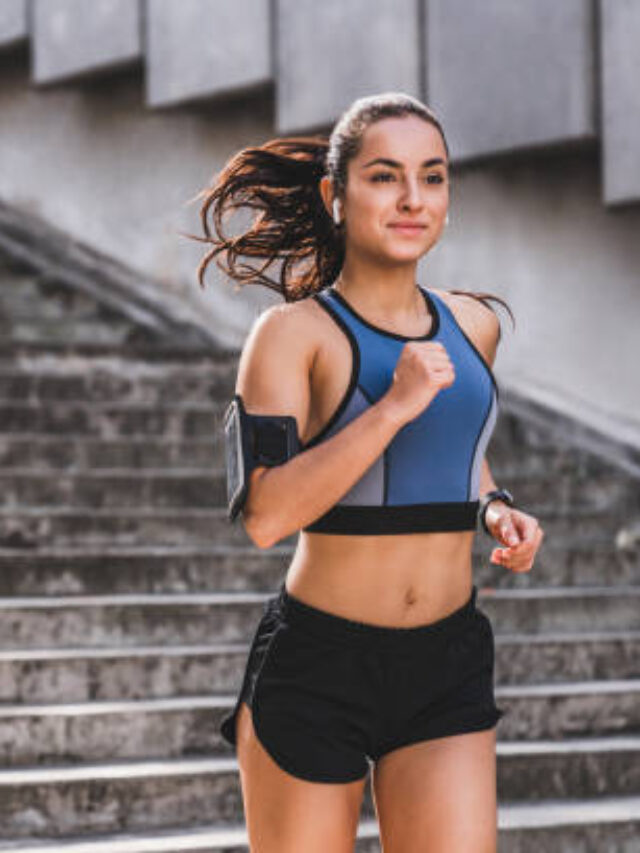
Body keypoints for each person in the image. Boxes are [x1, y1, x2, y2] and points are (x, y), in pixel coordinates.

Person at [191, 92, 544, 852]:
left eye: (434, 176)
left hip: (446, 662)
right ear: (335, 194)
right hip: (320, 663)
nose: (414, 198)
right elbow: (264, 515)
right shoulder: (291, 335)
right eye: (385, 176)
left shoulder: (473, 323)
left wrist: (494, 508)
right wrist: (391, 407)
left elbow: (457, 454)